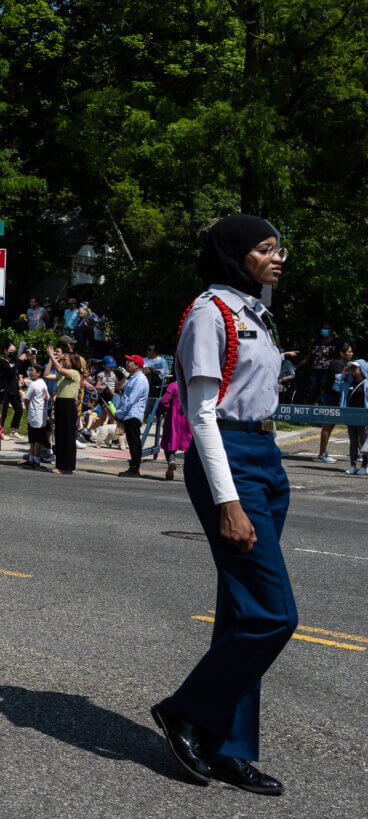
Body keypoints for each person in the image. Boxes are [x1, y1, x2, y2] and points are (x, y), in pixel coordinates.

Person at [153, 214, 293, 796]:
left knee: (242, 613)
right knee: (272, 613)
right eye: (265, 249)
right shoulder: (211, 313)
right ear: (237, 254)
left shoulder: (253, 308)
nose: (278, 256)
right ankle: (185, 711)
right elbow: (203, 414)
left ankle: (229, 745)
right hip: (228, 458)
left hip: (263, 453)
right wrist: (228, 502)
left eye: (278, 248)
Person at [47, 345, 82, 474]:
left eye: (67, 359)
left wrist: (52, 356)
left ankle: (68, 466)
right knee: (60, 436)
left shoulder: (74, 373)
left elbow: (60, 370)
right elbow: (46, 374)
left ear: (73, 362)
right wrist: (52, 360)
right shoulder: (63, 373)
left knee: (68, 437)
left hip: (68, 405)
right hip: (60, 404)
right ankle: (60, 465)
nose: (65, 361)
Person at [115, 355, 151, 476]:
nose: (127, 363)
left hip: (132, 415)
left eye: (130, 361)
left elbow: (130, 400)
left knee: (134, 442)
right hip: (129, 414)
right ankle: (134, 467)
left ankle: (134, 469)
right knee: (132, 442)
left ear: (137, 365)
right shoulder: (134, 378)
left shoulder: (139, 380)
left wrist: (119, 413)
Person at [157, 379, 192, 480]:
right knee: (188, 444)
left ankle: (171, 460)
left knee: (169, 441)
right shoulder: (192, 386)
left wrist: (160, 411)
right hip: (188, 419)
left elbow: (164, 401)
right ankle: (189, 472)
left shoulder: (173, 386)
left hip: (173, 418)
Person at [23, 371, 51, 469]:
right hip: (39, 415)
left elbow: (26, 399)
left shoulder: (34, 384)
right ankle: (34, 460)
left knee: (34, 439)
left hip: (35, 415)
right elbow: (47, 397)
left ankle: (33, 459)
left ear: (39, 373)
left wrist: (28, 409)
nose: (31, 372)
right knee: (36, 439)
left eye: (33, 370)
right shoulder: (41, 384)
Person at [0, 343, 23, 436]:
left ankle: (13, 430)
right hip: (4, 390)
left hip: (13, 390)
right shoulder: (2, 362)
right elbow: (10, 371)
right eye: (11, 351)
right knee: (3, 412)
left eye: (14, 351)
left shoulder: (14, 362)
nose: (12, 353)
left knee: (19, 409)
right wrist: (19, 360)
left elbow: (18, 370)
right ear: (5, 351)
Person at [343, 363, 366, 476]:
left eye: (355, 367)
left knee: (364, 441)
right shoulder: (349, 381)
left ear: (362, 369)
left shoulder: (366, 383)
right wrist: (344, 375)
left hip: (363, 416)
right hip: (351, 415)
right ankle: (353, 465)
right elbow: (337, 387)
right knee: (353, 441)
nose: (353, 370)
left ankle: (364, 466)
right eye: (352, 367)